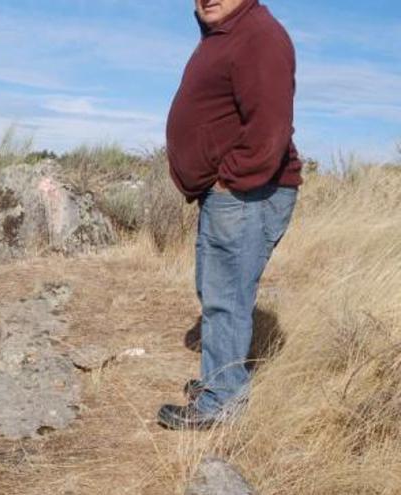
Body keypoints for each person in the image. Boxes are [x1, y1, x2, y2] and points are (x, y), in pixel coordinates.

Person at [157, 0, 303, 430]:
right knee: (216, 289)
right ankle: (220, 383)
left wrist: (229, 180)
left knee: (227, 298)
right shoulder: (225, 35)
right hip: (231, 194)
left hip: (247, 192)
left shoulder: (259, 36)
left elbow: (270, 129)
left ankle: (222, 403)